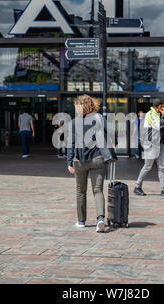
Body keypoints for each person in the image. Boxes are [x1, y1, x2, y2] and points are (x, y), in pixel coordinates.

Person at [66, 95, 109, 233]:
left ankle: (81, 221)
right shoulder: (100, 119)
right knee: (98, 190)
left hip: (80, 161)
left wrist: (69, 162)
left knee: (80, 191)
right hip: (98, 158)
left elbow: (70, 144)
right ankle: (100, 220)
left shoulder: (73, 122)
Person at [134, 98, 164, 197]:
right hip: (151, 144)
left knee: (162, 167)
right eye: (163, 105)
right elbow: (159, 125)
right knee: (147, 166)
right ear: (160, 106)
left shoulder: (157, 114)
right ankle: (137, 187)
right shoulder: (150, 114)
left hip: (159, 143)